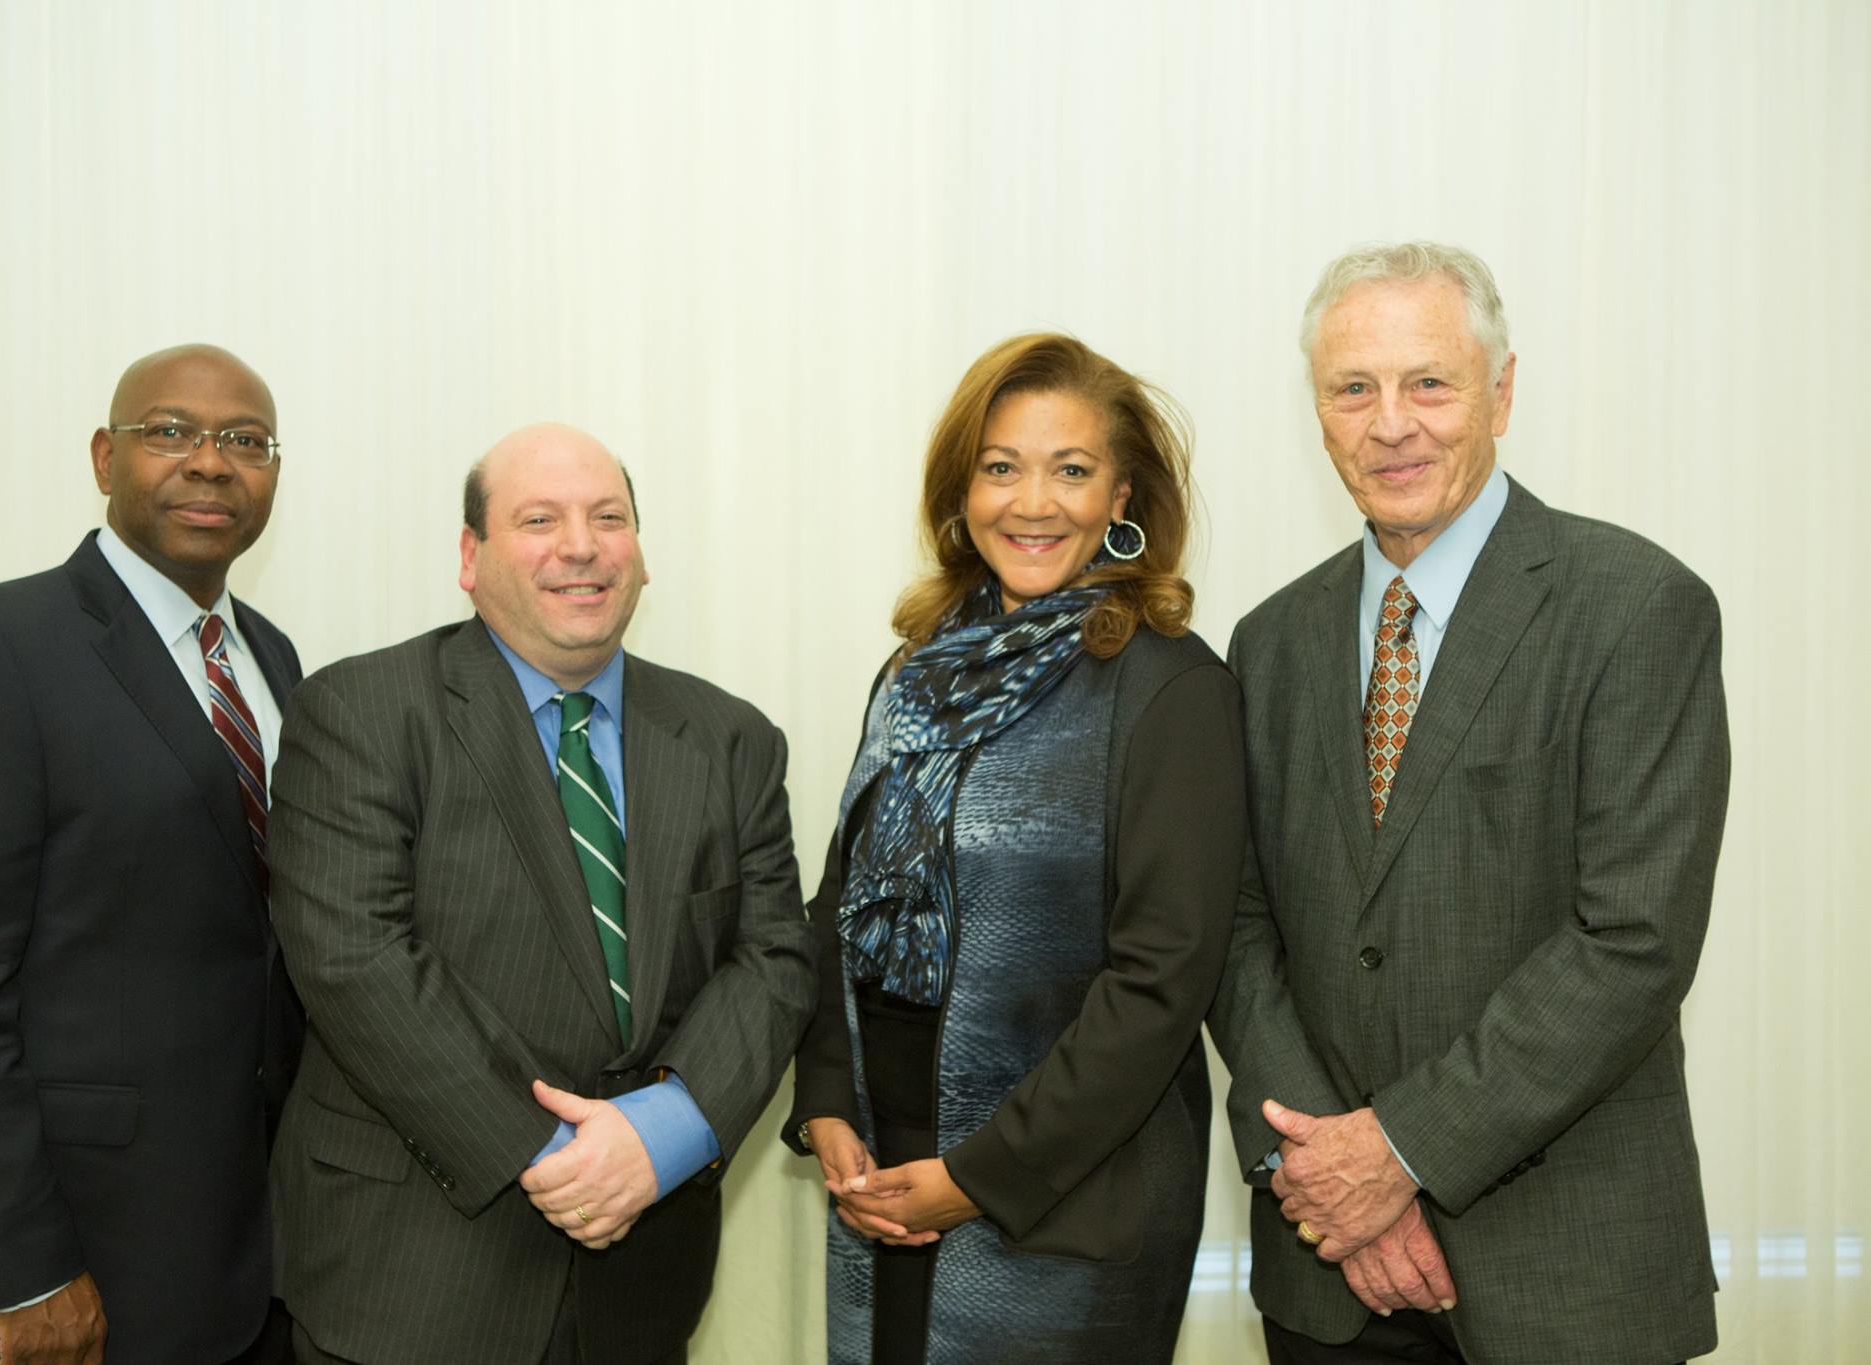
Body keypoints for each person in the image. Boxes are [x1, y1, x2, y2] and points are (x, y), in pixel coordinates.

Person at [1207, 242, 1729, 1365]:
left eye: (1427, 382)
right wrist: (1322, 1172)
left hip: (1567, 1283)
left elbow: (1630, 941)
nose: (1389, 423)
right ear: (1318, 411)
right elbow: (1236, 930)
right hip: (1325, 1279)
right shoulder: (1268, 643)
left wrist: (1395, 1155)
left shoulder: (1634, 608)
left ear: (1499, 391)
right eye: (1352, 388)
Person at [265, 422, 813, 1365]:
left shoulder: (732, 739)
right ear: (471, 557)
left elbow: (774, 958)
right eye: (539, 518)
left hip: (641, 1282)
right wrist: (566, 1160)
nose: (580, 544)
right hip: (411, 1279)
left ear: (640, 554)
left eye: (609, 517)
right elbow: (355, 961)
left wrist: (662, 1135)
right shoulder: (360, 711)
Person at [786, 333, 1248, 1362]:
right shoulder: (912, 668)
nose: (1031, 502)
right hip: (880, 1173)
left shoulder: (1169, 690)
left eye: (1070, 470)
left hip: (1062, 1211)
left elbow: (1160, 982)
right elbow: (839, 903)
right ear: (962, 489)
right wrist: (824, 1103)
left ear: (1120, 497)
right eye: (1001, 467)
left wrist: (975, 1179)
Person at [0, 344, 304, 1365]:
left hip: (240, 1257)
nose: (210, 462)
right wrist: (24, 1267)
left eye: (246, 441)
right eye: (171, 432)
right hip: (65, 1268)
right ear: (106, 457)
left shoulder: (269, 659)